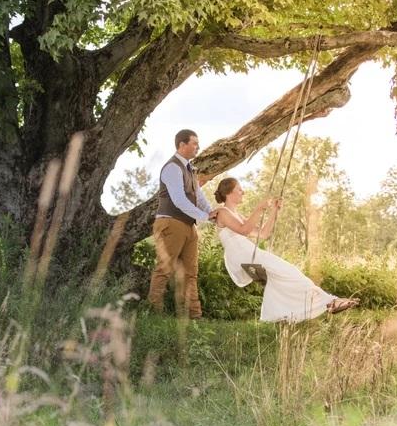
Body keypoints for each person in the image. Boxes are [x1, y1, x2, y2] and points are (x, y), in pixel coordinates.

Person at [213, 177, 358, 322]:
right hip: (242, 256)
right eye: (239, 189)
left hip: (250, 253)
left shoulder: (236, 215)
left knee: (288, 275)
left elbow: (263, 234)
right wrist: (259, 208)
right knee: (290, 272)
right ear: (229, 193)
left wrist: (274, 211)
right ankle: (329, 302)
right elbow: (243, 230)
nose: (243, 192)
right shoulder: (223, 212)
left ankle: (323, 303)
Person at [147, 129, 217, 319]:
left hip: (188, 225)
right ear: (182, 145)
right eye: (194, 143)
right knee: (164, 269)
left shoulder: (190, 169)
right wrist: (204, 216)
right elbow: (179, 200)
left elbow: (199, 196)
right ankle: (154, 315)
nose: (198, 147)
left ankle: (194, 316)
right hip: (170, 222)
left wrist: (211, 213)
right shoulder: (172, 167)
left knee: (190, 273)